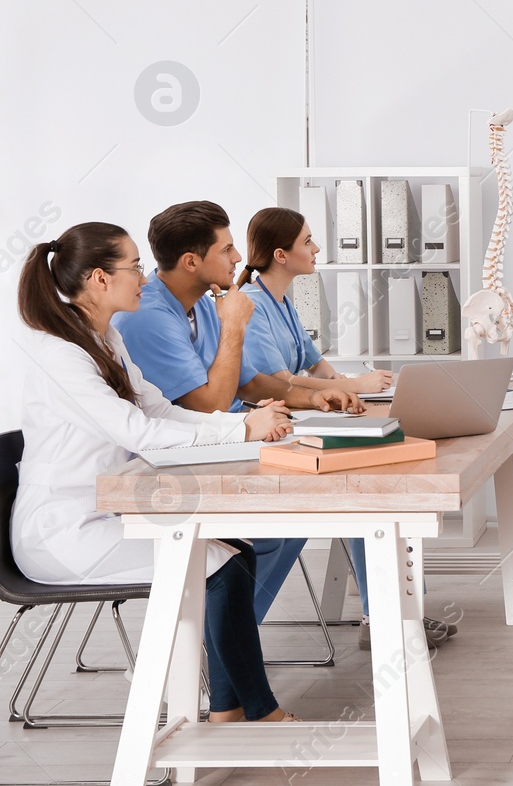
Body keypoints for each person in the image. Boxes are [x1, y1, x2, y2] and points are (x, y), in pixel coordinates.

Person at [13, 222, 297, 722]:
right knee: (222, 565)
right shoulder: (60, 353)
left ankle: (228, 712)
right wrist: (240, 431)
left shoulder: (106, 338)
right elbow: (138, 433)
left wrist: (241, 426)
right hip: (65, 533)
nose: (144, 277)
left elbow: (159, 412)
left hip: (111, 512)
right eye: (134, 266)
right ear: (100, 278)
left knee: (237, 550)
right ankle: (256, 712)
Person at [115, 200, 360, 634]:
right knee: (277, 525)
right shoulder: (151, 317)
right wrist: (233, 328)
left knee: (304, 510)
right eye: (227, 249)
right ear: (192, 262)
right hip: (179, 461)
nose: (238, 258)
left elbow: (249, 384)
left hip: (225, 439)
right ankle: (217, 647)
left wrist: (312, 400)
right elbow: (206, 404)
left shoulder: (207, 302)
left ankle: (227, 647)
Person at [237, 206, 457, 648]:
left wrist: (350, 390)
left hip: (302, 420)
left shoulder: (283, 301)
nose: (317, 248)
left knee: (374, 480)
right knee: (365, 489)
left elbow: (314, 363)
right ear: (281, 255)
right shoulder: (253, 304)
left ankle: (390, 613)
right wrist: (350, 384)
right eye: (308, 242)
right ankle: (388, 616)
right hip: (273, 427)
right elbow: (274, 381)